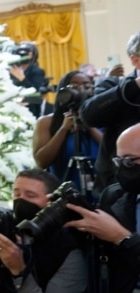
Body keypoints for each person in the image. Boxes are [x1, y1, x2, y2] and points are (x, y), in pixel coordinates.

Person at [0, 169, 87, 293]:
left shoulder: (69, 250)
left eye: (30, 196)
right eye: (17, 194)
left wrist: (19, 271)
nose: (20, 201)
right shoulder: (10, 233)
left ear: (51, 202)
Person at [65, 122, 140, 293]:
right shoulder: (117, 195)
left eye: (130, 162)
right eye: (119, 161)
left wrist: (122, 238)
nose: (122, 169)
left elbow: (119, 239)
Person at [80, 31, 140, 194]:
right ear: (136, 60)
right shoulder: (112, 86)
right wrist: (134, 87)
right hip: (119, 186)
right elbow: (89, 116)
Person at [33, 70, 101, 198]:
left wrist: (90, 127)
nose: (81, 90)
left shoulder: (103, 119)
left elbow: (112, 152)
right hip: (63, 193)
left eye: (87, 86)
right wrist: (63, 129)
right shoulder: (47, 122)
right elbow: (42, 162)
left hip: (100, 190)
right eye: (74, 86)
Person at [8, 41, 49, 118]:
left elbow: (37, 97)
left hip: (30, 112)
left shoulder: (37, 71)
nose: (23, 54)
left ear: (33, 55)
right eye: (20, 52)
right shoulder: (12, 70)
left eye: (27, 52)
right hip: (12, 111)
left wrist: (23, 79)